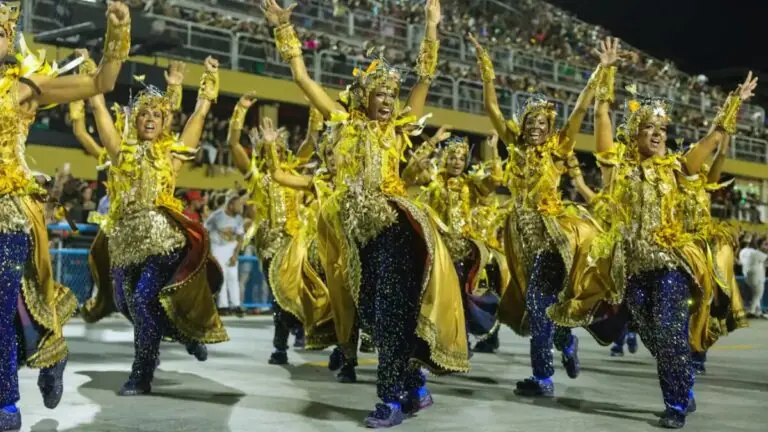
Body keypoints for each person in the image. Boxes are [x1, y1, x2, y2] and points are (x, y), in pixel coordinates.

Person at [264, 0, 469, 427]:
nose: (388, 102)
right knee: (377, 318)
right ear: (362, 96)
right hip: (357, 237)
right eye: (380, 95)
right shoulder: (341, 120)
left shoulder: (396, 129)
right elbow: (302, 78)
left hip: (395, 225)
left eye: (392, 97)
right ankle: (414, 385)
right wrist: (284, 29)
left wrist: (431, 28)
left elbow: (424, 78)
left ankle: (389, 401)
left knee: (391, 313)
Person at [573, 44, 757, 426]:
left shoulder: (676, 167)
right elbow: (601, 115)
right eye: (649, 128)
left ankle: (676, 404)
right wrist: (605, 72)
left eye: (662, 130)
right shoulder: (616, 168)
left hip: (670, 263)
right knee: (653, 335)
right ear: (635, 133)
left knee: (671, 331)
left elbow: (711, 140)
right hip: (633, 268)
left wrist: (733, 104)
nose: (657, 135)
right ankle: (682, 381)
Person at [0, 2, 132, 430]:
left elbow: (101, 81)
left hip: (5, 212)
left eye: (0, 32)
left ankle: (7, 402)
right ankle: (49, 351)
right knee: (15, 305)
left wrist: (117, 34)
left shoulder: (22, 88)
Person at [469, 32, 615, 397]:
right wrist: (487, 72)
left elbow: (580, 110)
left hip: (551, 234)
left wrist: (600, 71)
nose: (535, 127)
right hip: (520, 235)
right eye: (530, 121)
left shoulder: (559, 147)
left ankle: (543, 377)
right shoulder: (514, 146)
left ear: (550, 128)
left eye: (542, 123)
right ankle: (566, 344)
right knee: (545, 304)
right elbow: (492, 110)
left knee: (538, 302)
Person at [81, 56, 229, 396]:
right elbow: (101, 112)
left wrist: (209, 80)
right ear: (135, 120)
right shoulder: (121, 152)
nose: (150, 119)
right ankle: (184, 334)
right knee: (124, 302)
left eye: (157, 115)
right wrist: (92, 83)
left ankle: (141, 374)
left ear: (165, 122)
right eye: (144, 114)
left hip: (162, 240)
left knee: (144, 299)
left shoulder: (172, 156)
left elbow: (199, 116)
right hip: (123, 241)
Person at [226, 92, 305, 365]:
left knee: (294, 291)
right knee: (276, 295)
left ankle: (296, 329)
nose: (276, 153)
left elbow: (311, 141)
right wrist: (240, 110)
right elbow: (233, 144)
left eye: (280, 149)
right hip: (270, 242)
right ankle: (282, 344)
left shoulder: (295, 177)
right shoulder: (257, 177)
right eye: (270, 149)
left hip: (297, 241)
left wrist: (315, 112)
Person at [414, 133, 509, 354]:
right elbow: (413, 177)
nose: (457, 162)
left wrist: (493, 150)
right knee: (440, 299)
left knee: (460, 299)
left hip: (465, 253)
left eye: (461, 158)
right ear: (444, 158)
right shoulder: (434, 184)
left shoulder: (471, 185)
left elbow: (495, 180)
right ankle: (445, 343)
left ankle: (460, 344)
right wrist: (428, 147)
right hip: (440, 252)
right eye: (452, 157)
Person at [206, 191, 246, 317]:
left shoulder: (239, 219)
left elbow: (240, 237)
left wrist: (235, 254)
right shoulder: (216, 216)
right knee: (221, 277)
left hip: (231, 249)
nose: (241, 207)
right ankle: (222, 306)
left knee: (233, 277)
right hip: (217, 248)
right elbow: (205, 230)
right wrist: (208, 251)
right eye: (238, 204)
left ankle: (236, 305)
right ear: (230, 205)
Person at [744, 237, 768, 318]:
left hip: (752, 276)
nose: (766, 247)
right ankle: (752, 310)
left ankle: (758, 311)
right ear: (760, 245)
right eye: (765, 245)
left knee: (756, 295)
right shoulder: (758, 253)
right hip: (756, 277)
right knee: (758, 295)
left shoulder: (755, 253)